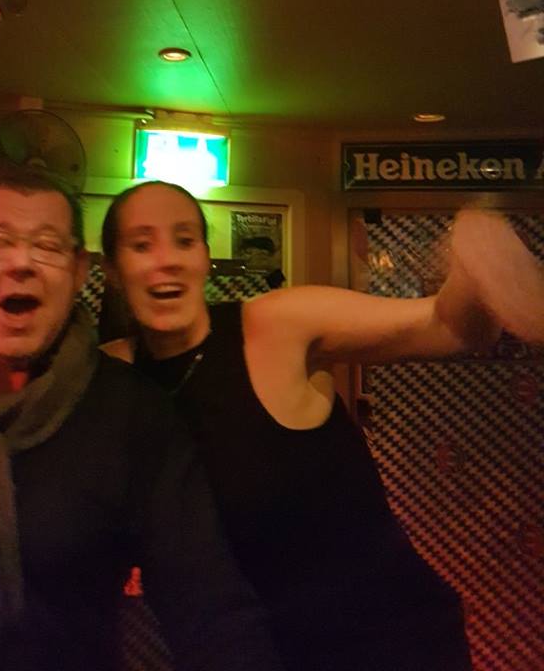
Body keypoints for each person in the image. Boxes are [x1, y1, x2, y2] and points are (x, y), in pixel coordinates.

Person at [0, 169, 282, 671]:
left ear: (80, 270)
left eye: (46, 246)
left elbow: (209, 605)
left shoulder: (131, 413)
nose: (21, 262)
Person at [95, 180, 544, 671]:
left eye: (185, 241)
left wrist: (478, 263)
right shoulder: (111, 377)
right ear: (112, 270)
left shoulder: (275, 325)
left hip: (391, 645)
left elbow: (448, 327)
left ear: (204, 257)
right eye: (142, 245)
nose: (167, 260)